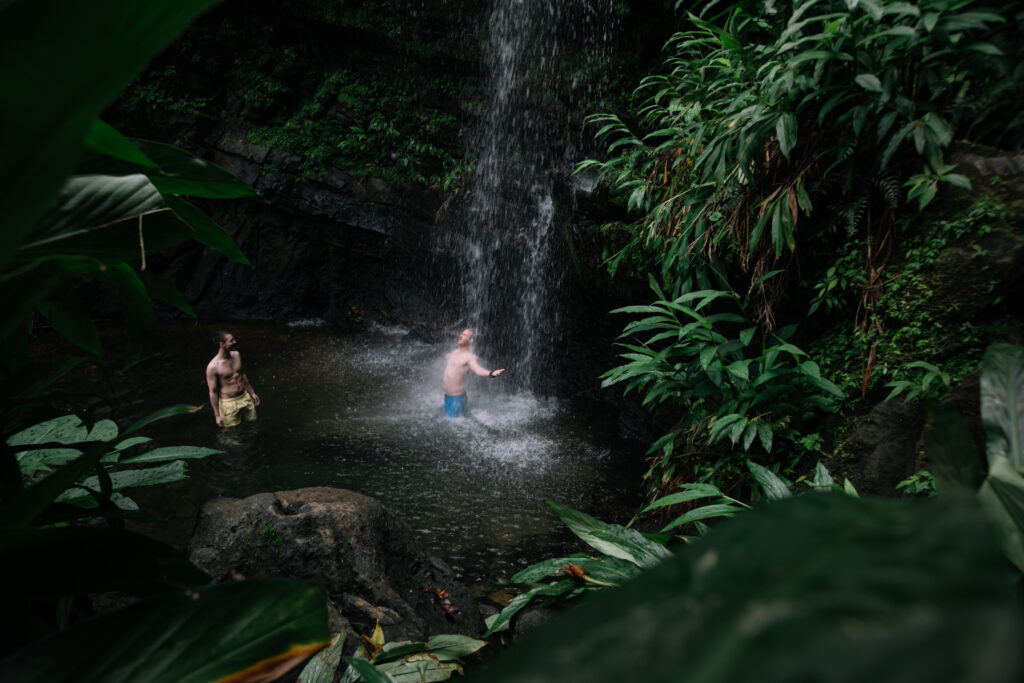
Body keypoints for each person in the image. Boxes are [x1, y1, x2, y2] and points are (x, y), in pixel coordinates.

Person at [442, 328, 504, 418]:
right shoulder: (455, 352)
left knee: (452, 426)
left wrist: (491, 373)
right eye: (462, 334)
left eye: (465, 335)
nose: (461, 336)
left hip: (456, 398)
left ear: (471, 341)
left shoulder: (469, 357)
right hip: (448, 396)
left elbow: (478, 370)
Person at [206, 331, 260, 428]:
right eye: (231, 340)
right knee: (231, 433)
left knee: (253, 425)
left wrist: (252, 392)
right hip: (228, 403)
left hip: (244, 397)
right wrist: (217, 415)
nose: (235, 342)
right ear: (222, 344)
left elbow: (242, 375)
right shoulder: (212, 367)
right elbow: (213, 392)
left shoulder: (236, 355)